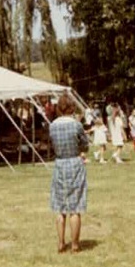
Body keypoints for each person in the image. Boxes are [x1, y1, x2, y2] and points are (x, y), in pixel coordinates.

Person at [49, 94, 89, 254]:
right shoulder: (76, 125)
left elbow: (52, 144)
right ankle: (74, 244)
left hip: (60, 163)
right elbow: (85, 145)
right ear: (72, 108)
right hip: (74, 163)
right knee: (75, 206)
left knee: (60, 207)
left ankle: (60, 243)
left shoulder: (52, 126)